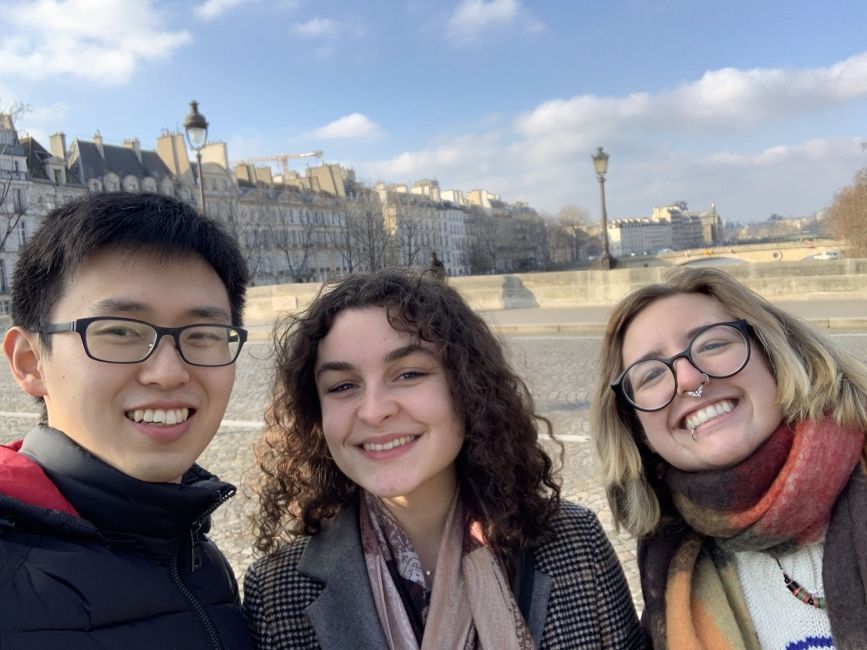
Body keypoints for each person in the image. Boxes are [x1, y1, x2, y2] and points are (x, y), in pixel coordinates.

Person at [244, 269, 643, 649]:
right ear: (317, 415)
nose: (373, 411)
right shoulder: (277, 592)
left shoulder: (578, 545)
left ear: (467, 388)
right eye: (343, 385)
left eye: (408, 374)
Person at [0, 192, 253, 648]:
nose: (169, 372)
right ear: (30, 362)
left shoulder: (197, 558)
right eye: (119, 331)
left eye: (203, 335)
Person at [591, 266, 867, 649]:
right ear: (640, 431)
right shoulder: (668, 563)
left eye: (711, 344)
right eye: (651, 375)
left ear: (773, 354)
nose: (688, 379)